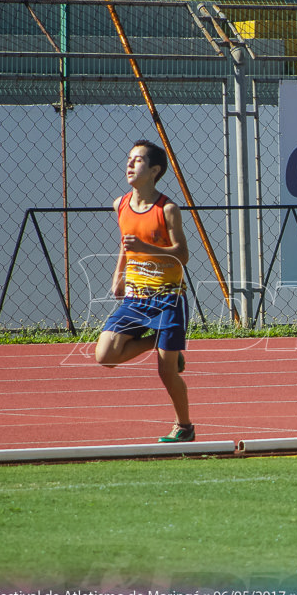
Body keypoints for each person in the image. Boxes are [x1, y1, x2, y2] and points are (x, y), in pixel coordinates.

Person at [95, 139, 195, 442]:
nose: (129, 164)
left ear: (154, 170)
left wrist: (146, 248)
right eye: (129, 159)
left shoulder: (168, 209)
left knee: (166, 373)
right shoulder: (120, 204)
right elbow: (126, 242)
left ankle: (184, 427)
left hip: (168, 297)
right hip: (136, 298)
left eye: (137, 160)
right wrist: (119, 274)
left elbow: (183, 254)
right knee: (105, 355)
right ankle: (159, 342)